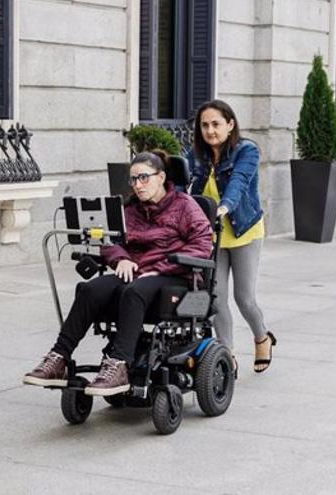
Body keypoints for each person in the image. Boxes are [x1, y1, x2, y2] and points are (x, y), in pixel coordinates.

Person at [23, 150, 213, 396]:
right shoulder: (130, 209)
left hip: (174, 275)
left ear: (161, 177)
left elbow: (202, 246)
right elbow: (109, 239)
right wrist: (121, 258)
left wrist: (159, 269)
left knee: (134, 290)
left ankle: (119, 365)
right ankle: (59, 358)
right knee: (90, 288)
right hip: (136, 273)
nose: (138, 185)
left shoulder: (185, 206)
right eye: (133, 179)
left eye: (144, 178)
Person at [186, 99, 276, 373]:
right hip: (212, 235)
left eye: (216, 124)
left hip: (242, 229)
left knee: (244, 297)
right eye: (205, 125)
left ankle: (262, 337)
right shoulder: (196, 155)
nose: (210, 130)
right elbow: (180, 185)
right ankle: (226, 355)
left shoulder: (246, 150)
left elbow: (238, 183)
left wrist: (223, 207)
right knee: (215, 297)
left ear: (230, 124)